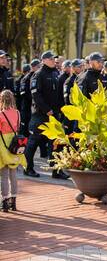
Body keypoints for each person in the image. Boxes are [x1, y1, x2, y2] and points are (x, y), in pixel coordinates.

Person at [24, 51, 69, 180]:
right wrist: (46, 109)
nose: (52, 60)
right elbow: (35, 95)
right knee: (34, 142)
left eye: (53, 59)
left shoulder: (55, 73)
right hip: (40, 114)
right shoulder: (38, 75)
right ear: (43, 60)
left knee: (56, 143)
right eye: (50, 59)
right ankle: (28, 168)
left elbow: (59, 94)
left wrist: (61, 109)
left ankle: (56, 170)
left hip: (54, 115)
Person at [0, 90, 27, 212]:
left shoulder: (1, 114)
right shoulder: (17, 113)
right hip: (15, 145)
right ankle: (14, 202)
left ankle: (4, 202)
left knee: (4, 176)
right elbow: (18, 128)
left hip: (3, 145)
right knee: (13, 175)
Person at [20, 59, 41, 138]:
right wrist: (33, 99)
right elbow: (23, 94)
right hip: (27, 107)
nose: (40, 68)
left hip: (35, 106)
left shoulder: (38, 76)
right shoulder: (26, 78)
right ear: (33, 67)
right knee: (26, 126)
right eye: (38, 66)